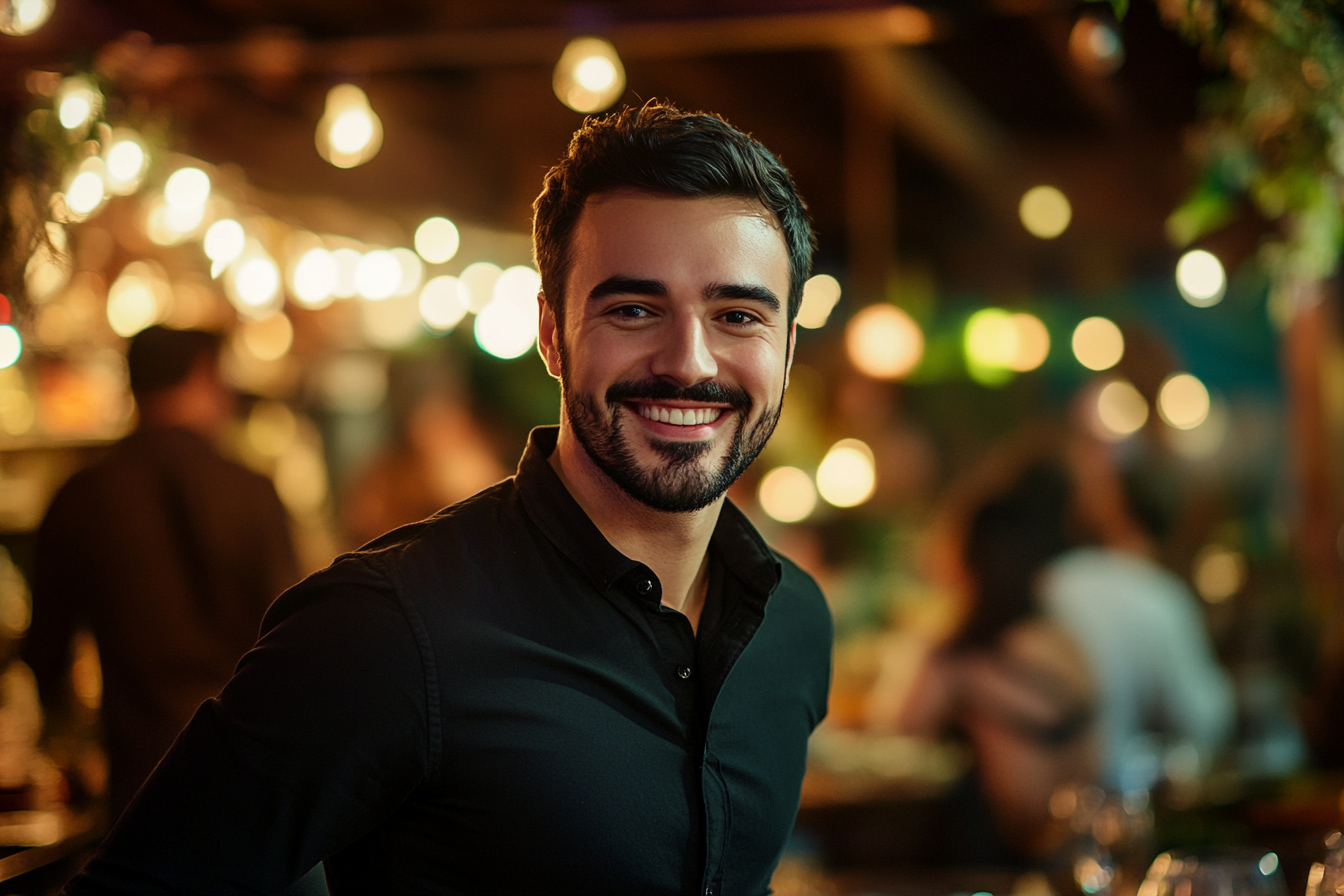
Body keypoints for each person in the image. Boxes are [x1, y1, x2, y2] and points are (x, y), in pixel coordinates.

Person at [60, 102, 833, 895]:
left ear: (787, 348)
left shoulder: (794, 625)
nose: (687, 361)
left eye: (738, 315)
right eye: (633, 309)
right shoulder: (385, 628)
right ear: (552, 332)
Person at [24, 326, 299, 820]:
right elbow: (294, 638)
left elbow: (45, 653)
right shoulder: (251, 492)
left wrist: (69, 750)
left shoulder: (83, 496)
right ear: (203, 375)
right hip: (250, 772)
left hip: (139, 778)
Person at [867, 463, 1098, 862]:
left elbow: (895, 729)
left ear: (969, 560)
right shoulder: (1064, 640)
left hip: (1013, 856)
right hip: (1080, 848)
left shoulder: (965, 660)